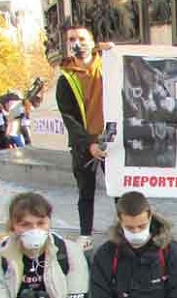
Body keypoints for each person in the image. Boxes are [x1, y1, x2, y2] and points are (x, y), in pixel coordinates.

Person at [56, 25, 113, 252]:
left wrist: (114, 51)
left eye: (81, 38)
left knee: (119, 190)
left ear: (92, 41)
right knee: (85, 192)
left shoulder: (109, 65)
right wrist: (88, 143)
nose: (77, 42)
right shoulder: (65, 79)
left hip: (111, 140)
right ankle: (85, 234)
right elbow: (69, 118)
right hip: (83, 144)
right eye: (71, 39)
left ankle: (126, 230)